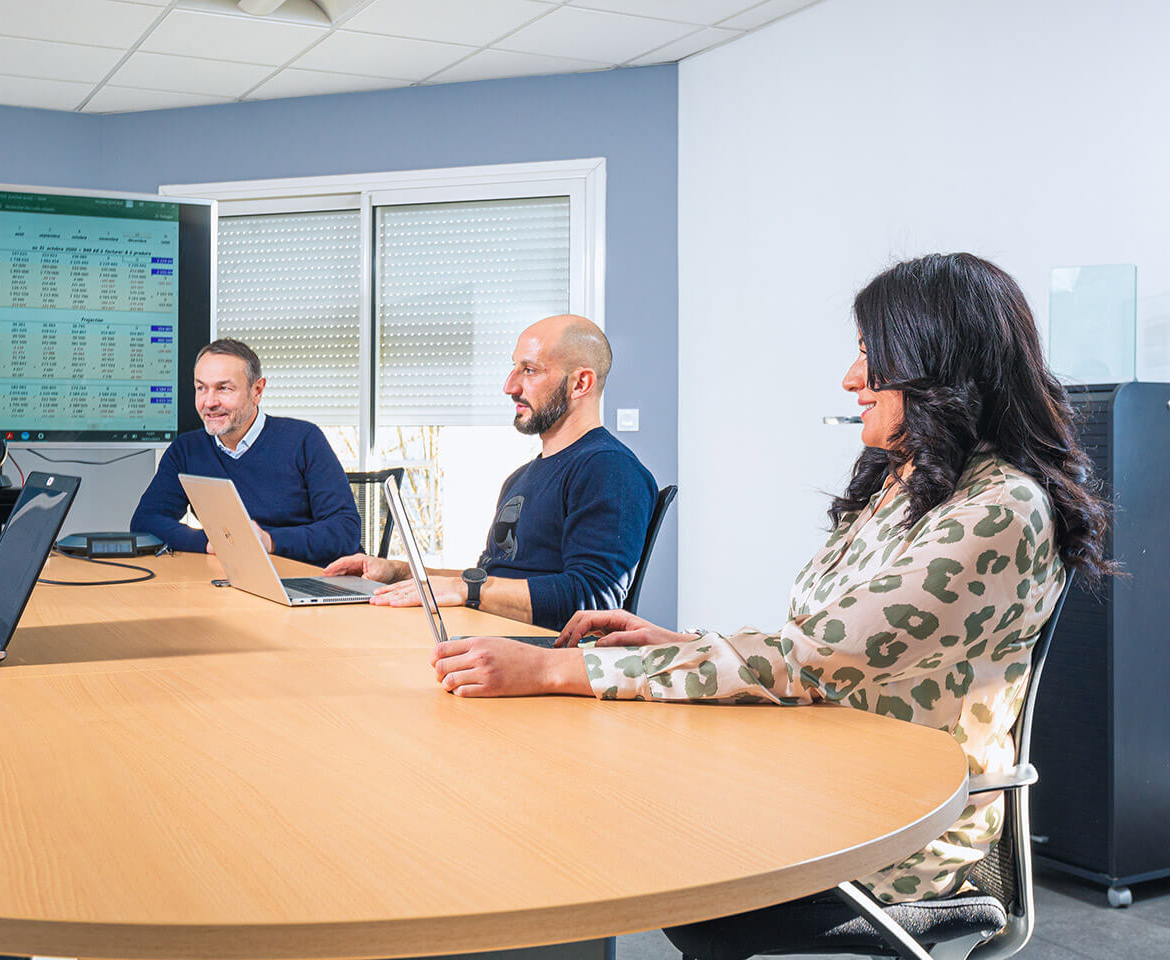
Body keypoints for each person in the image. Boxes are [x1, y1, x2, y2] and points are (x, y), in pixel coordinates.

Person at [429, 254, 1113, 911]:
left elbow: (806, 662)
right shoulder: (909, 487)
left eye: (873, 356)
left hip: (894, 831)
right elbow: (814, 647)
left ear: (939, 367)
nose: (851, 378)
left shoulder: (997, 511)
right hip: (821, 769)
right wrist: (672, 643)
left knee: (618, 809)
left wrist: (558, 673)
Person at [325, 314, 657, 632]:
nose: (509, 386)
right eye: (514, 367)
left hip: (538, 655)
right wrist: (396, 572)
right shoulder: (521, 477)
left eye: (529, 370)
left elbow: (595, 601)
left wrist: (466, 590)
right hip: (488, 632)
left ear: (580, 383)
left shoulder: (609, 469)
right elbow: (487, 577)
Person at [131, 339, 361, 567]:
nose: (209, 402)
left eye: (224, 388)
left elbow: (345, 529)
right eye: (201, 388)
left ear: (257, 390)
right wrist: (209, 542)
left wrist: (269, 541)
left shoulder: (304, 439)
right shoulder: (186, 450)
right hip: (237, 577)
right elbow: (146, 521)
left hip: (311, 578)